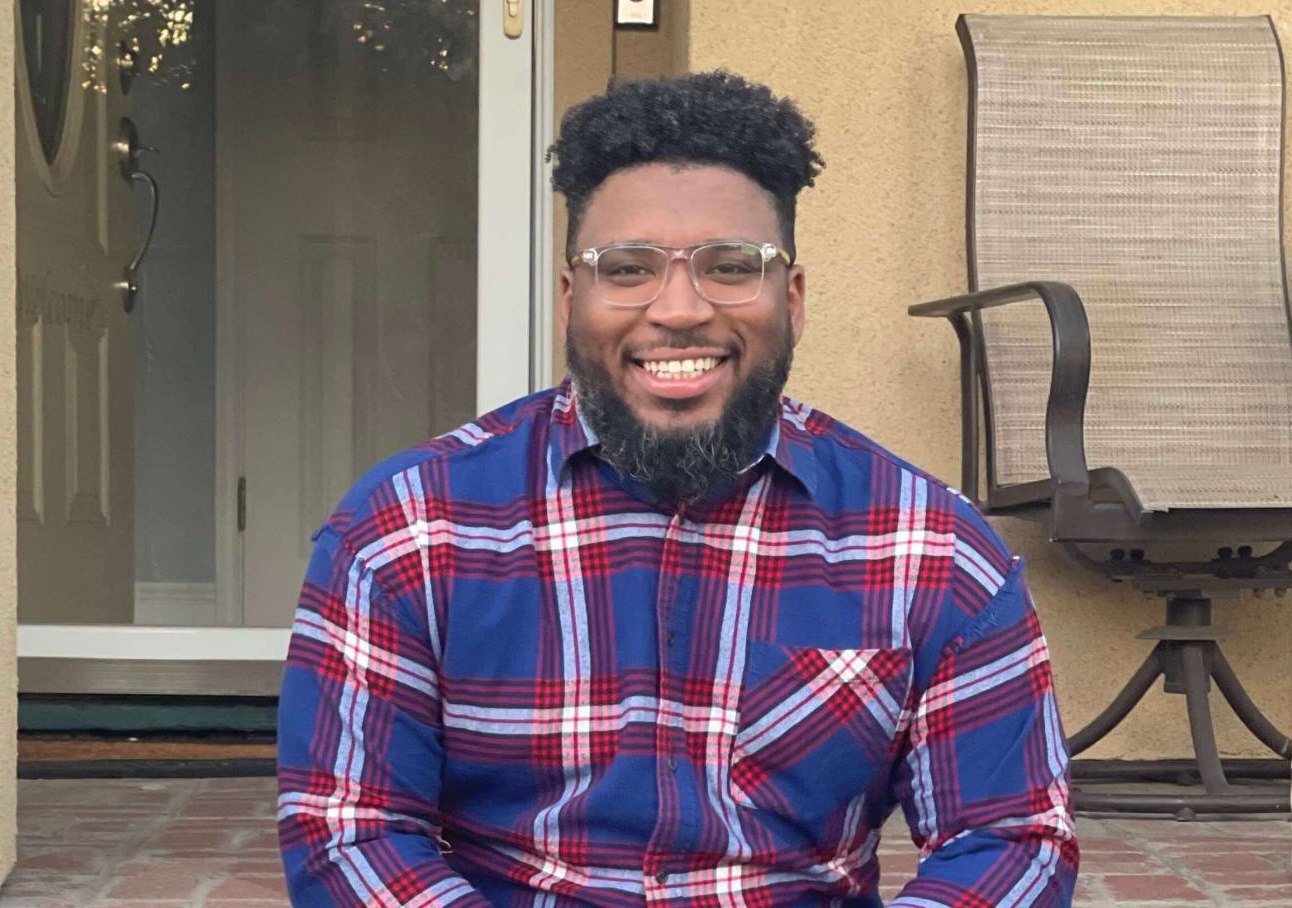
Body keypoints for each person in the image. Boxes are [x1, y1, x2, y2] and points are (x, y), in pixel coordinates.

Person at [277, 71, 1077, 907]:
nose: (681, 308)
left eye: (732, 266)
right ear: (570, 299)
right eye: (627, 269)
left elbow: (1011, 840)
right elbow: (349, 830)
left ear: (792, 300)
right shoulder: (407, 532)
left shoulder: (930, 549)